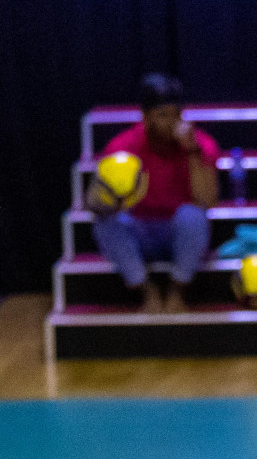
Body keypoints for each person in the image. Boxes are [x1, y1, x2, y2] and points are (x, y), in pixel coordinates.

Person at [92, 74, 219, 313]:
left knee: (193, 216)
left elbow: (207, 201)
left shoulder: (200, 144)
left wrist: (192, 152)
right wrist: (107, 196)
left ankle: (177, 292)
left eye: (176, 115)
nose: (171, 123)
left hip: (178, 233)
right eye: (162, 115)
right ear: (146, 117)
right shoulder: (122, 147)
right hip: (139, 230)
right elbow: (94, 203)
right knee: (105, 222)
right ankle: (147, 291)